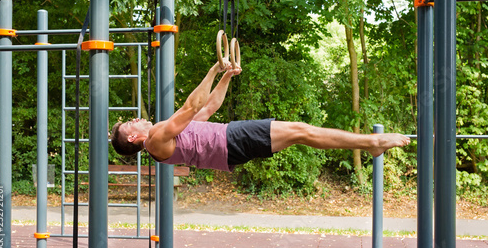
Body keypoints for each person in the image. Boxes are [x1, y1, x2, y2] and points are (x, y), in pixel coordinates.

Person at [110, 60, 410, 172]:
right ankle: (372, 142)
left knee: (300, 133)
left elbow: (208, 108)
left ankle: (370, 143)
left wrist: (226, 76)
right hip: (231, 142)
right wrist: (214, 69)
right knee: (301, 131)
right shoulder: (158, 139)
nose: (135, 118)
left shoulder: (165, 136)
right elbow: (190, 105)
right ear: (134, 137)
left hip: (231, 143)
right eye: (130, 123)